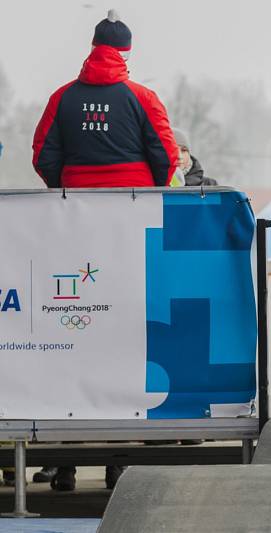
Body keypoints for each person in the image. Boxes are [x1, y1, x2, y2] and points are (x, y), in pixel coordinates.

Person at [31, 9, 179, 491]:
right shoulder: (141, 97)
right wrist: (146, 193)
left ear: (92, 48)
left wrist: (69, 191)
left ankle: (65, 455)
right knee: (128, 332)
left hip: (75, 229)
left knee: (75, 329)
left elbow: (43, 155)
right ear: (127, 53)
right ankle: (121, 458)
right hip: (132, 227)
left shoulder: (62, 97)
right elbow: (166, 155)